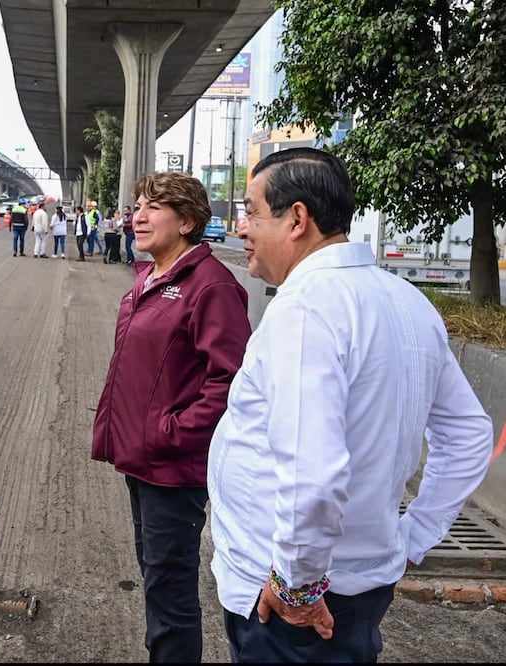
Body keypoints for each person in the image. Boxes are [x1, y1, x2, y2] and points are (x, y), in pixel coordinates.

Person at [208, 147, 493, 663]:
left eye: (250, 210)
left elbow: (312, 472)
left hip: (294, 609)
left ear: (297, 219)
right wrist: (413, 537)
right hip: (358, 587)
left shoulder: (305, 308)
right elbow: (470, 432)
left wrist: (297, 586)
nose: (241, 227)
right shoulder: (407, 301)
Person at [91, 171, 251, 663]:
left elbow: (231, 381)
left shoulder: (210, 287)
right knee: (156, 578)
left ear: (185, 221)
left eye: (152, 207)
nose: (137, 216)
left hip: (173, 467)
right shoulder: (151, 278)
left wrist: (169, 432)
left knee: (170, 591)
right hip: (142, 459)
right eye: (137, 206)